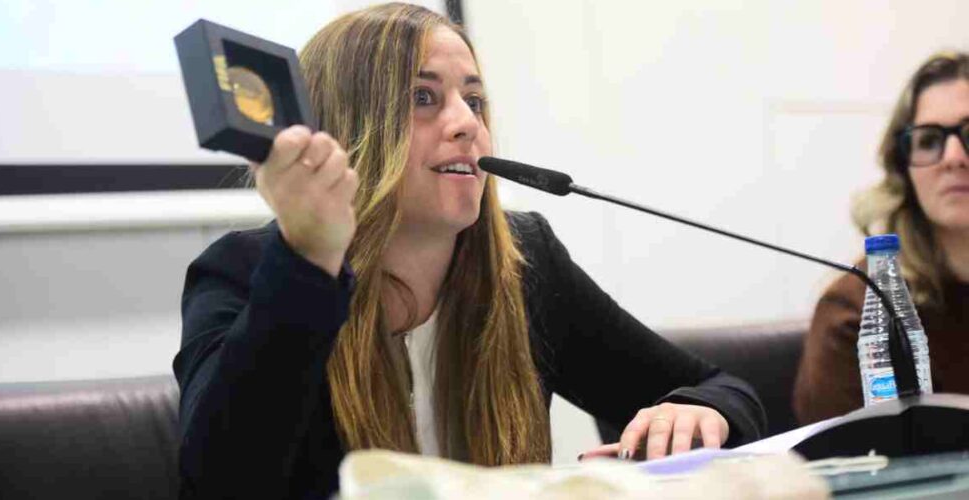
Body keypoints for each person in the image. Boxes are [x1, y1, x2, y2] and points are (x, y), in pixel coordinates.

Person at [173, 3, 766, 498]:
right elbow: (221, 482)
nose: (466, 124)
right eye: (424, 98)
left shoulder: (527, 259)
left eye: (475, 101)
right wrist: (307, 260)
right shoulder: (245, 273)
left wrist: (695, 410)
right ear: (347, 129)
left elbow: (723, 389)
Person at [794, 52, 969, 425]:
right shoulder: (856, 311)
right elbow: (858, 468)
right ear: (904, 169)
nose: (954, 157)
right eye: (929, 140)